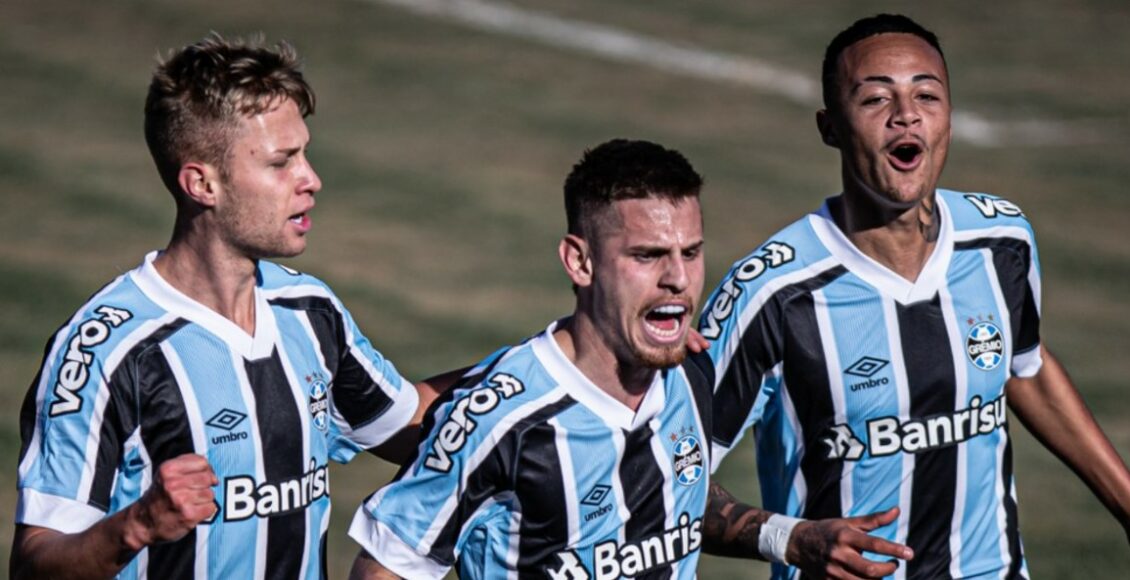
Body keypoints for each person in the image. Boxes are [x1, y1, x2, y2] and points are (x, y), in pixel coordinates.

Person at [699, 13, 1130, 579]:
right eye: (876, 99)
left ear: (949, 116)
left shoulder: (1001, 243)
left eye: (927, 95)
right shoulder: (772, 293)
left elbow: (1024, 369)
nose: (906, 114)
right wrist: (792, 538)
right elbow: (664, 475)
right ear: (830, 127)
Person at [11, 34, 425, 579]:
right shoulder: (107, 351)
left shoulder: (309, 309)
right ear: (202, 183)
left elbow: (414, 425)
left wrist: (547, 363)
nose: (312, 180)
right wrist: (138, 523)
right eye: (282, 162)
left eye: (305, 154)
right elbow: (35, 562)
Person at [347, 139, 719, 579]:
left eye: (690, 252)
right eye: (647, 255)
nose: (678, 278)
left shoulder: (691, 373)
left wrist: (783, 537)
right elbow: (384, 570)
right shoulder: (499, 421)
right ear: (580, 262)